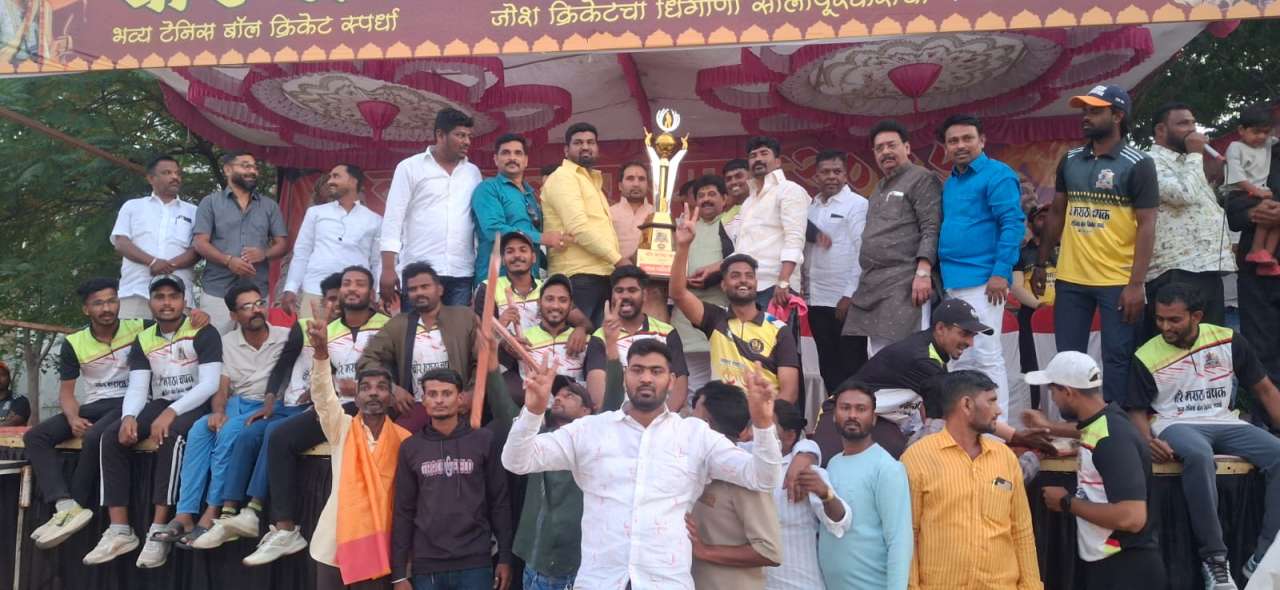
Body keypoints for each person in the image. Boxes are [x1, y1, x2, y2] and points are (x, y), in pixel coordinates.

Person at [502, 338, 784, 589]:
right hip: (600, 581)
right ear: (626, 376)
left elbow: (764, 478)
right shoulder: (590, 430)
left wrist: (762, 424)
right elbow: (517, 461)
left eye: (656, 371)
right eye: (637, 370)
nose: (646, 378)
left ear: (671, 381)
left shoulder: (695, 436)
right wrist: (533, 411)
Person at [1124, 282, 1280, 586]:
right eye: (1159, 319)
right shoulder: (1146, 354)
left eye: (1174, 320)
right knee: (1198, 454)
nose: (1165, 327)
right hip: (1175, 424)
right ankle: (1214, 559)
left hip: (1226, 421)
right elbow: (1136, 412)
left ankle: (1264, 556)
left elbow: (1265, 390)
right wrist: (1148, 441)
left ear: (1196, 316)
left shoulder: (1228, 340)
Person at [242, 265, 391, 566]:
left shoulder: (388, 325)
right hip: (336, 407)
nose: (352, 288)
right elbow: (323, 372)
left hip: (375, 407)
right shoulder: (328, 328)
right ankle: (285, 529)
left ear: (371, 292)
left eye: (360, 283)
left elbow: (397, 371)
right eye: (347, 283)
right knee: (280, 436)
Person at [484, 293, 628, 590]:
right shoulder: (536, 436)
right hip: (536, 563)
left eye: (570, 395)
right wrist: (491, 355)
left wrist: (612, 347)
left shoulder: (598, 436)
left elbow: (614, 401)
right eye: (557, 395)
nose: (559, 398)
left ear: (588, 411)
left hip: (584, 566)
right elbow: (501, 404)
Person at [84, 275, 223, 568]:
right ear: (150, 303)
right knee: (112, 435)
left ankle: (158, 529)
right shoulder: (144, 338)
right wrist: (129, 416)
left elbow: (210, 383)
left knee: (170, 435)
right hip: (161, 402)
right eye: (159, 297)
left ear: (184, 301)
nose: (167, 303)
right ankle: (120, 529)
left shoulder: (203, 330)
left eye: (173, 296)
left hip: (197, 402)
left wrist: (172, 412)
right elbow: (137, 387)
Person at [1034, 85, 1158, 404]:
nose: (1086, 117)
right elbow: (1057, 212)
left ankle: (1113, 423)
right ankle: (1077, 423)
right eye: (1084, 111)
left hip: (1117, 281)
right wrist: (1041, 263)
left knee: (1117, 358)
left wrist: (1136, 284)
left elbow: (1147, 225)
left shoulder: (1138, 163)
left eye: (1095, 111)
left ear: (1117, 116)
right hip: (1071, 278)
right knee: (1068, 360)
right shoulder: (1070, 159)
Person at [214, 272, 343, 544]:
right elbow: (283, 363)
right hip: (289, 403)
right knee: (248, 433)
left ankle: (254, 510)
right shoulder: (303, 326)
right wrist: (270, 399)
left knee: (274, 433)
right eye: (329, 299)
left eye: (338, 300)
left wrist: (320, 390)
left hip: (319, 408)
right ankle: (228, 514)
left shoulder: (355, 332)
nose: (333, 305)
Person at [166, 280, 291, 549]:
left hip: (270, 406)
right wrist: (218, 412)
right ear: (234, 316)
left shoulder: (286, 337)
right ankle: (185, 513)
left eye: (259, 303)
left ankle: (213, 511)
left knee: (230, 432)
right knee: (200, 430)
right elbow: (221, 387)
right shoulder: (227, 342)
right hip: (236, 403)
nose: (256, 310)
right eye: (246, 307)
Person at [1030, 352, 1163, 590]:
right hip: (1110, 563)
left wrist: (1066, 502)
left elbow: (1132, 517)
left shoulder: (1112, 439)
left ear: (1068, 392)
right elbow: (1088, 430)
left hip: (1126, 569)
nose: (1053, 399)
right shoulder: (1105, 421)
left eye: (1053, 391)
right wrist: (1049, 427)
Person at [25, 278, 142, 548]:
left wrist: (197, 317)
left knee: (94, 437)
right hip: (96, 404)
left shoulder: (140, 327)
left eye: (111, 301)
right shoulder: (74, 342)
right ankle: (65, 506)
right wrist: (73, 417)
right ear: (86, 309)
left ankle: (77, 505)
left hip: (131, 402)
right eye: (98, 303)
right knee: (35, 436)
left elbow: (176, 326)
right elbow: (67, 392)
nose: (106, 308)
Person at [902, 370, 1041, 590]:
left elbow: (1022, 531)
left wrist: (1031, 586)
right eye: (991, 401)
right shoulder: (917, 458)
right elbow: (907, 534)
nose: (998, 410)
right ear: (966, 405)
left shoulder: (1005, 458)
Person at [306, 313, 412, 590]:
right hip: (334, 545)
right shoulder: (341, 428)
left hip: (380, 547)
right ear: (356, 397)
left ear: (391, 397)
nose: (373, 393)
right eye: (365, 388)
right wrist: (321, 353)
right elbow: (323, 398)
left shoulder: (405, 441)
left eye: (381, 388)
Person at [390, 368, 513, 590]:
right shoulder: (411, 447)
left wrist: (505, 557)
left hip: (475, 560)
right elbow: (403, 510)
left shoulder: (483, 441)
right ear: (423, 400)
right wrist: (399, 574)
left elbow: (499, 502)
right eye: (432, 394)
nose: (439, 400)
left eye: (446, 393)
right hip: (427, 563)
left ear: (460, 398)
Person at [936, 114, 1025, 415]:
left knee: (986, 356)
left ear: (982, 141)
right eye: (953, 141)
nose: (960, 145)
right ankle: (965, 424)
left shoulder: (998, 175)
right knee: (959, 357)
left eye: (967, 138)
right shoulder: (951, 183)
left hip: (985, 282)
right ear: (946, 147)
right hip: (953, 282)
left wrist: (1001, 272)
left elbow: (1012, 224)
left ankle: (997, 431)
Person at [672, 208, 801, 403]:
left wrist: (763, 419)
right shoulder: (715, 319)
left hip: (762, 416)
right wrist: (683, 247)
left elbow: (789, 393)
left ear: (756, 283)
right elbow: (678, 294)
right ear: (723, 285)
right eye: (735, 275)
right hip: (722, 416)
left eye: (749, 276)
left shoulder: (779, 330)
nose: (743, 280)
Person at [846, 120, 941, 356]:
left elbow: (931, 226)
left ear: (907, 147)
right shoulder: (879, 188)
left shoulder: (922, 178)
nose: (885, 152)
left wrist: (923, 272)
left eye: (891, 145)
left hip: (905, 280)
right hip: (873, 284)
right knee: (879, 356)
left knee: (910, 353)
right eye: (879, 148)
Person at [380, 108, 483, 309]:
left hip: (461, 273)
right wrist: (388, 268)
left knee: (456, 329)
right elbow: (393, 219)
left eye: (469, 136)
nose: (467, 142)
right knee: (417, 329)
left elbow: (475, 222)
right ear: (440, 135)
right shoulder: (409, 167)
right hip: (419, 272)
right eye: (460, 135)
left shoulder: (473, 172)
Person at [1145, 102, 1234, 336]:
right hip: (1177, 269)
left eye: (1194, 123)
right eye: (1183, 124)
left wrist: (1212, 175)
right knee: (1179, 345)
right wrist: (1195, 155)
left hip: (1206, 266)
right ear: (1161, 130)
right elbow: (1182, 195)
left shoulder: (1187, 163)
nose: (1193, 129)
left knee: (1210, 344)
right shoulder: (1148, 161)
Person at [359, 262, 479, 431]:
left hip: (458, 405)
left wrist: (473, 393)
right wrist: (392, 388)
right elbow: (367, 359)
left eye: (425, 287)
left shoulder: (464, 317)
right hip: (417, 405)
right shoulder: (398, 324)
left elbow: (482, 359)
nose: (419, 292)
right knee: (397, 439)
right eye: (413, 289)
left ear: (440, 289)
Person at [687, 382, 784, 590]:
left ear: (706, 424)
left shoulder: (745, 476)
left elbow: (770, 551)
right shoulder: (690, 467)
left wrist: (705, 551)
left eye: (694, 414)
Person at [819, 383, 911, 590]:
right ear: (834, 416)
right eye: (845, 408)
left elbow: (899, 541)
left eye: (861, 409)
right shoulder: (833, 464)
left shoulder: (887, 468)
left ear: (874, 418)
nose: (852, 415)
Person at [193, 151, 289, 333]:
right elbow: (200, 243)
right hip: (218, 290)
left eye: (254, 167)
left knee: (257, 341)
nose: (252, 171)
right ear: (228, 170)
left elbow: (282, 244)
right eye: (246, 166)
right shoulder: (210, 203)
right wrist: (228, 261)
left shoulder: (269, 206)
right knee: (216, 342)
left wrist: (264, 253)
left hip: (257, 290)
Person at [541, 121, 625, 326]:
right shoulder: (563, 177)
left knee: (598, 341)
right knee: (577, 341)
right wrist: (619, 260)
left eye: (590, 142)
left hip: (600, 275)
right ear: (566, 150)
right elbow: (578, 228)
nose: (585, 147)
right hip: (578, 277)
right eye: (578, 143)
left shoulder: (591, 182)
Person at [764, 399, 852, 590]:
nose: (759, 431)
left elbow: (841, 522)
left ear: (789, 436)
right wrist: (807, 449)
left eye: (766, 425)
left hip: (800, 582)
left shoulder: (806, 472)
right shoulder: (747, 460)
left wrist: (825, 494)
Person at [282, 163, 382, 318]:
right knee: (312, 333)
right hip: (315, 290)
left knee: (350, 335)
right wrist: (291, 288)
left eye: (336, 176)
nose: (330, 181)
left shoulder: (374, 220)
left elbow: (377, 262)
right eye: (330, 177)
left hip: (355, 295)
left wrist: (377, 293)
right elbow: (302, 253)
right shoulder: (315, 213)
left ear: (353, 181)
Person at [806, 149, 869, 389]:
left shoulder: (857, 204)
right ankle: (833, 408)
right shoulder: (810, 207)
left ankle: (858, 409)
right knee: (827, 364)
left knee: (853, 363)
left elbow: (863, 251)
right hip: (815, 298)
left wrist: (850, 294)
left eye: (837, 171)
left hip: (844, 299)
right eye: (825, 172)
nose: (831, 176)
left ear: (845, 175)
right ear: (816, 176)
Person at [585, 265, 688, 410]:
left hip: (660, 417)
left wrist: (662, 418)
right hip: (615, 417)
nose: (625, 296)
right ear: (612, 295)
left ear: (644, 295)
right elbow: (597, 394)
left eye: (632, 290)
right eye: (619, 291)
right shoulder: (600, 336)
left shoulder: (667, 332)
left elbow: (679, 384)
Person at [110, 154, 199, 319]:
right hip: (136, 291)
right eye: (167, 173)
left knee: (174, 337)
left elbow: (198, 249)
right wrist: (152, 262)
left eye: (177, 173)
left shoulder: (193, 211)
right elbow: (121, 243)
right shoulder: (133, 206)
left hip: (178, 295)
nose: (175, 177)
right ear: (151, 178)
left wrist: (168, 265)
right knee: (131, 336)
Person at [670, 175, 736, 393]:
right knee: (689, 388)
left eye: (712, 194)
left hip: (721, 314)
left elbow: (745, 258)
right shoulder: (685, 228)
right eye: (701, 195)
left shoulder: (734, 225)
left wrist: (717, 270)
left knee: (723, 387)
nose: (706, 199)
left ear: (724, 199)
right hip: (685, 316)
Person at [471, 133, 566, 285]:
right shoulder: (488, 188)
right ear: (496, 159)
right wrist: (542, 238)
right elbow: (494, 230)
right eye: (505, 153)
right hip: (497, 281)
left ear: (526, 160)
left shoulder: (530, 195)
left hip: (530, 281)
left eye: (518, 153)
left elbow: (534, 241)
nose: (512, 158)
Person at [735, 136, 808, 309]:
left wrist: (783, 281)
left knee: (776, 329)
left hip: (775, 287)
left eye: (764, 153)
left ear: (777, 162)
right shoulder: (748, 202)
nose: (758, 159)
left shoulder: (789, 190)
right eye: (753, 156)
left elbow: (795, 238)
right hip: (748, 286)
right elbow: (741, 247)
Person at [1224, 105, 1279, 274]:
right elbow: (1237, 177)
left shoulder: (1268, 143)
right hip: (1241, 192)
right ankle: (1256, 250)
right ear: (1241, 130)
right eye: (1256, 132)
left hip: (1261, 193)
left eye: (1265, 132)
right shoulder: (1235, 147)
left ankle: (1267, 257)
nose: (1261, 136)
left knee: (1276, 216)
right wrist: (1257, 192)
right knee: (1267, 211)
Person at [510, 274, 586, 385]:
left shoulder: (585, 341)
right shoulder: (521, 339)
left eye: (563, 300)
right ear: (539, 302)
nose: (555, 306)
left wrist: (581, 329)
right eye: (549, 299)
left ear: (571, 305)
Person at [609, 161, 654, 263]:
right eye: (630, 178)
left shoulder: (657, 214)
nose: (636, 184)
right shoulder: (609, 213)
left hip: (650, 270)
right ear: (620, 186)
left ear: (648, 185)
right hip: (615, 271)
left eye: (641, 179)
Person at [721, 158, 755, 239]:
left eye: (738, 176)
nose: (733, 182)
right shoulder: (724, 219)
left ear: (751, 177)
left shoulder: (766, 204)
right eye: (728, 179)